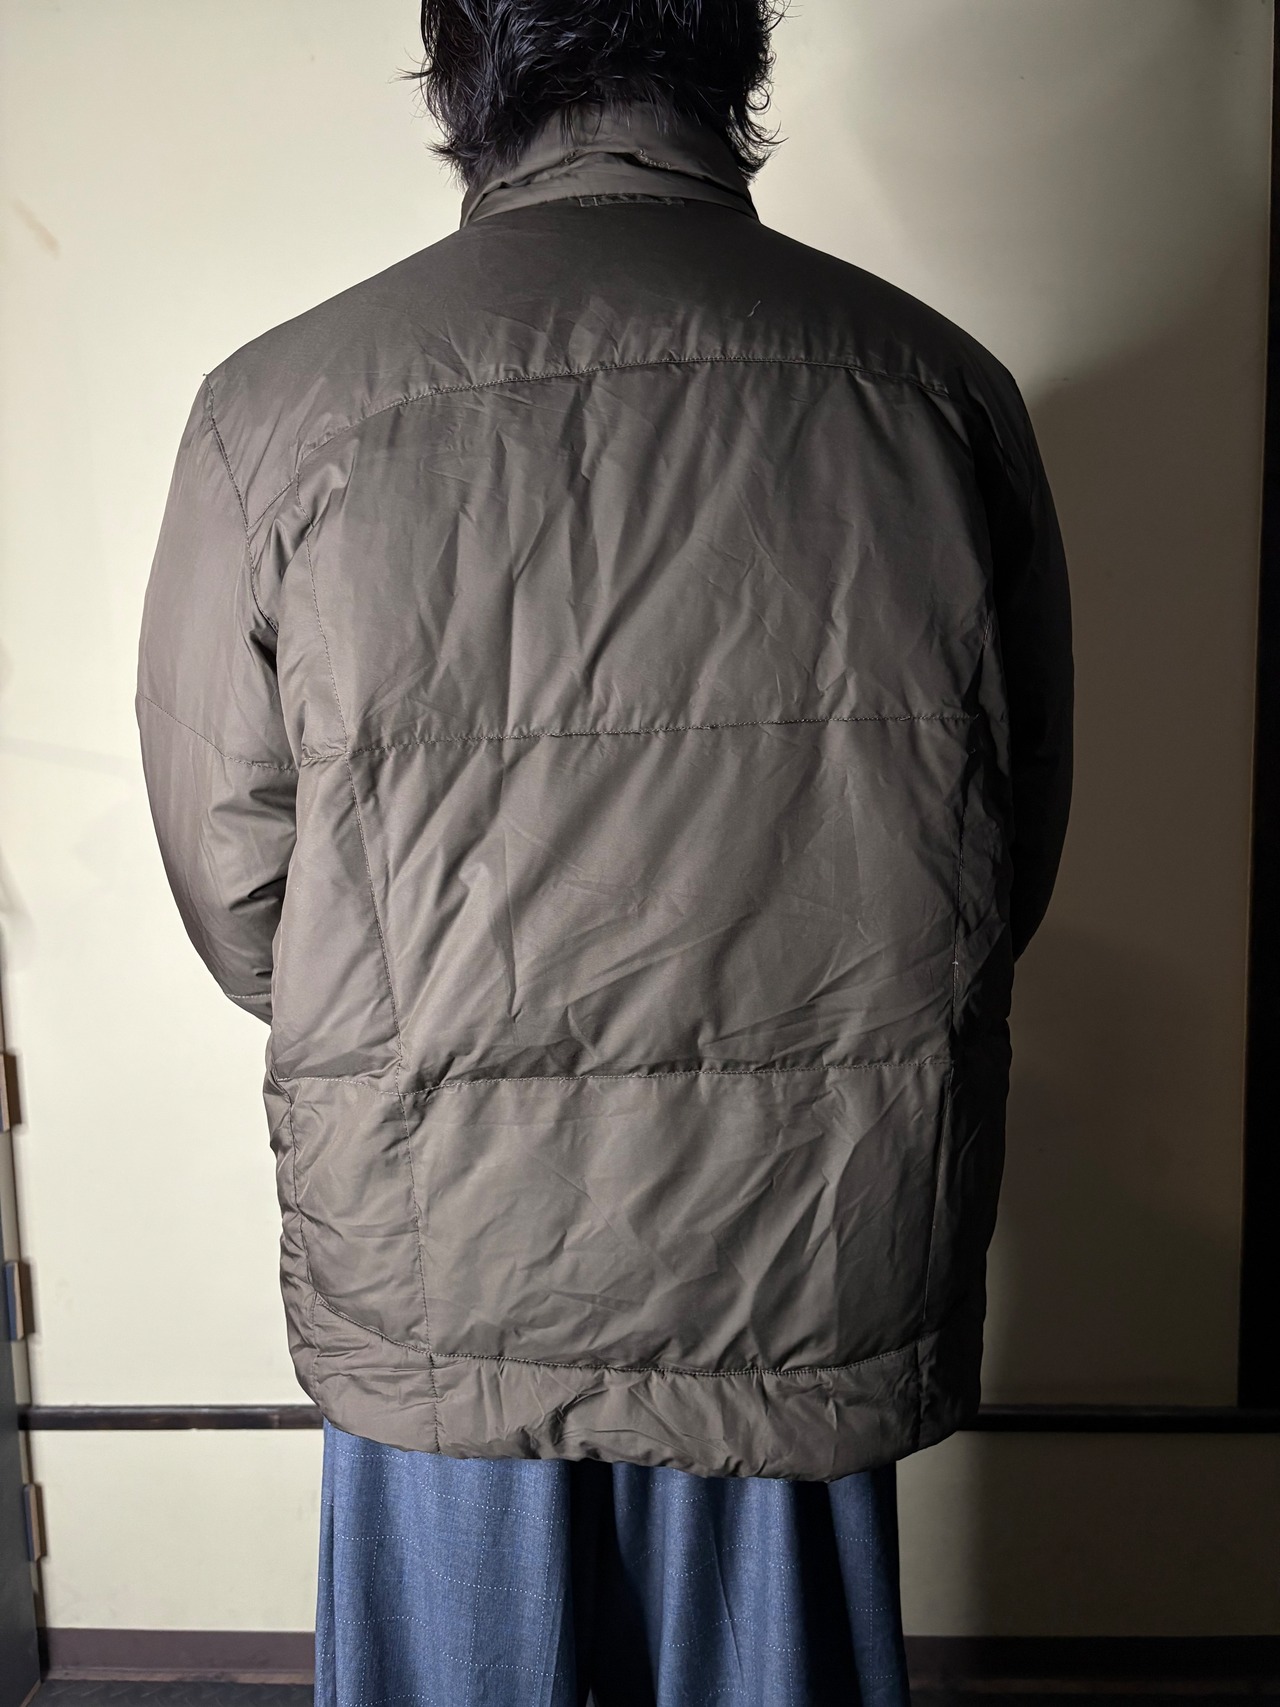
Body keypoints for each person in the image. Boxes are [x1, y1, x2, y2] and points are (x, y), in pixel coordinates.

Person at [136, 1, 1073, 1701]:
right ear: (733, 52)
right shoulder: (932, 389)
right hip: (803, 1236)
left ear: (465, 65)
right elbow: (1003, 854)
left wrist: (414, 1027)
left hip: (440, 1235)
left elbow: (240, 884)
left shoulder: (280, 408)